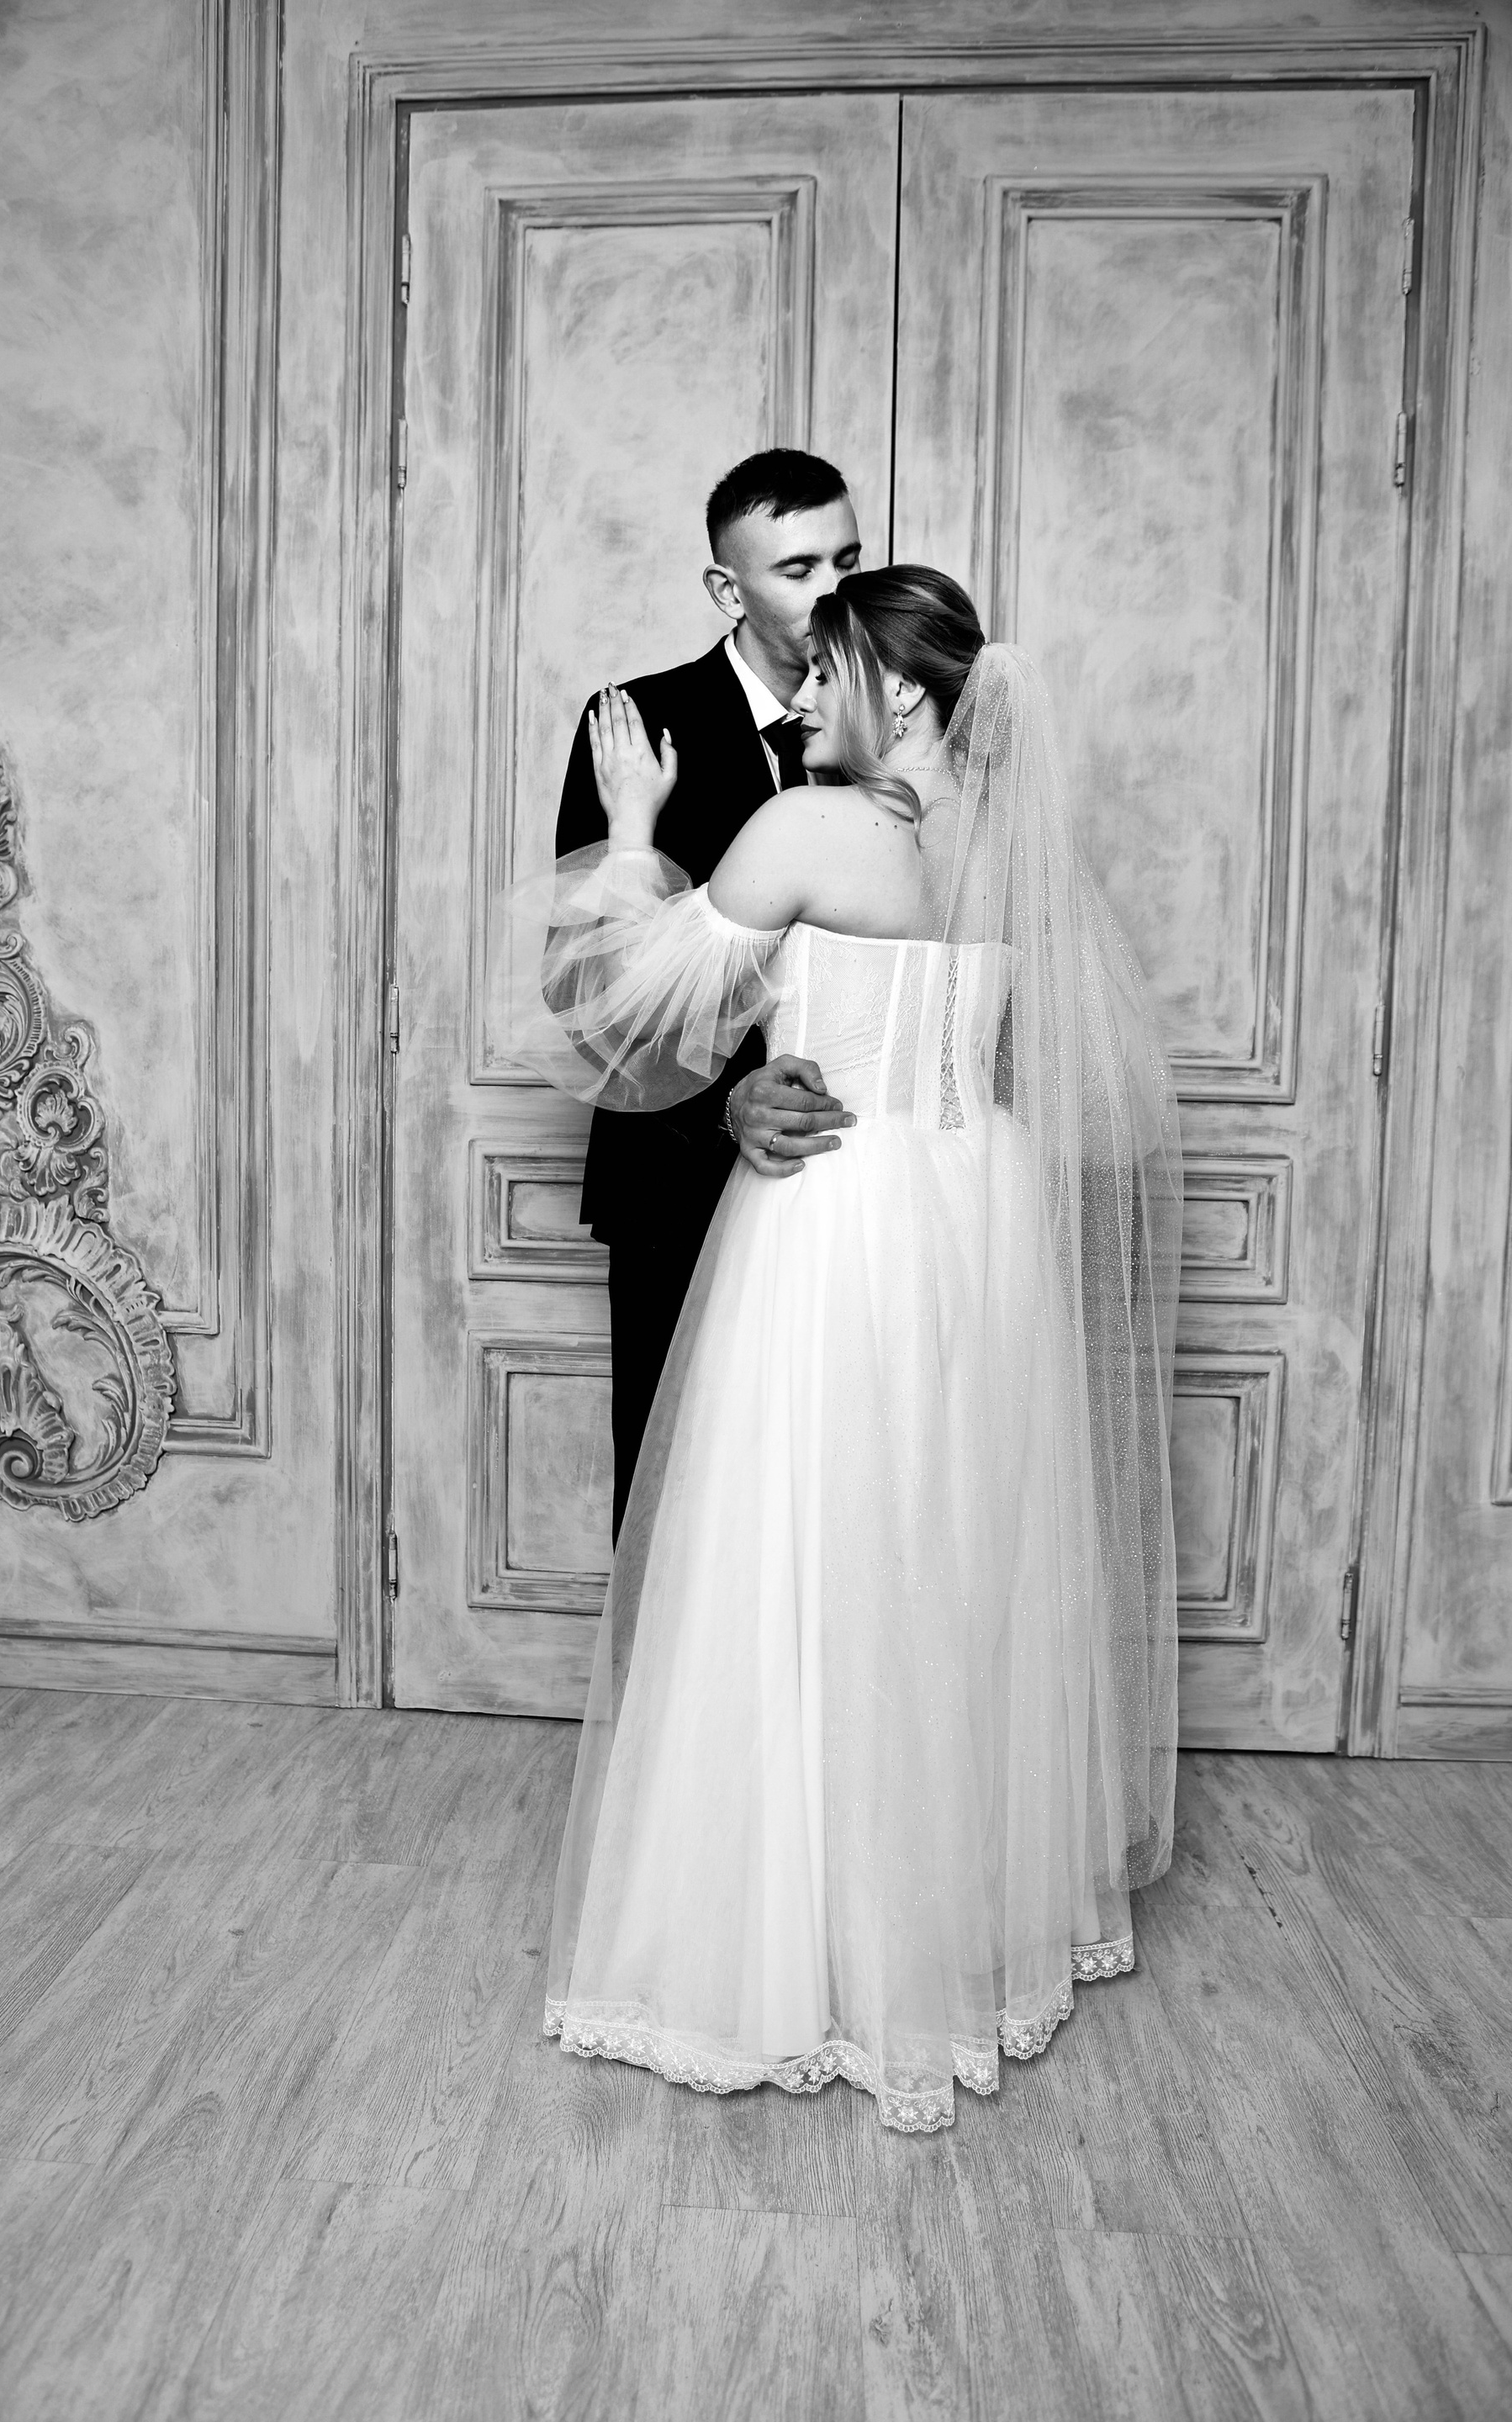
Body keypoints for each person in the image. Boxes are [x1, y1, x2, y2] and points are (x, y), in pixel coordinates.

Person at [494, 567, 1181, 2134]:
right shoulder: (1012, 843)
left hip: (844, 1210)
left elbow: (627, 1012)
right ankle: (947, 1924)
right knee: (949, 1549)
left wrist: (632, 830)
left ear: (905, 692)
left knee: (805, 1546)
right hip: (981, 1208)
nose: (801, 695)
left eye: (829, 673)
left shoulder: (810, 830)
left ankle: (797, 1941)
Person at [555, 447, 863, 1540]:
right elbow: (594, 996)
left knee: (834, 1500)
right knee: (679, 1507)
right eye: (798, 569)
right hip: (677, 1184)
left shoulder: (893, 718)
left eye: (848, 560)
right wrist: (729, 1109)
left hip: (852, 1175)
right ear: (728, 589)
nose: (834, 591)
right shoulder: (639, 724)